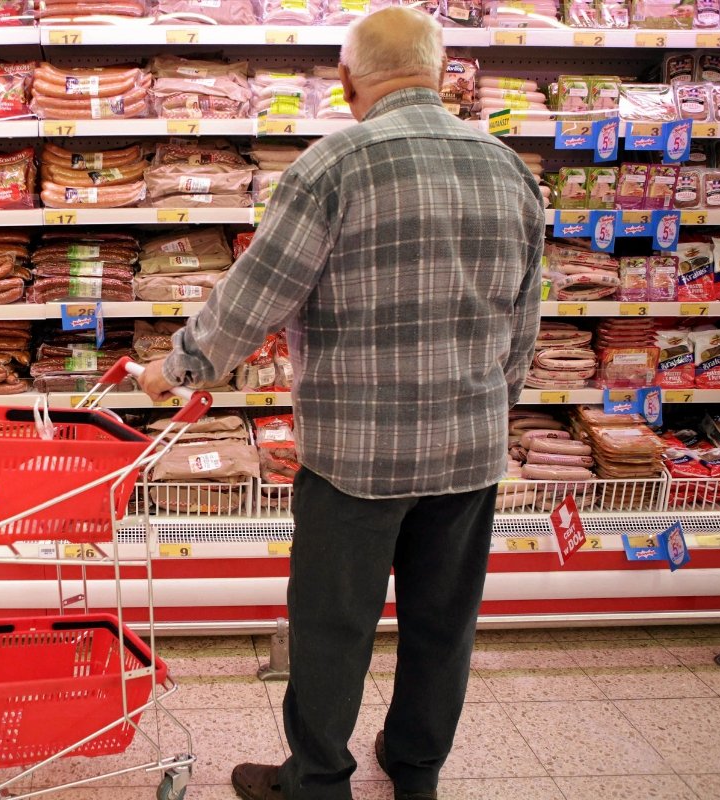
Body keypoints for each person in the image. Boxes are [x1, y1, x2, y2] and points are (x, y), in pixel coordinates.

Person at [136, 7, 544, 800]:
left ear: (348, 79)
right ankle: (417, 768)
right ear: (442, 69)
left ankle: (318, 780)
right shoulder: (509, 169)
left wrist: (178, 367)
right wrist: (490, 411)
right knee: (442, 625)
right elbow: (522, 330)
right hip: (468, 451)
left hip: (355, 457)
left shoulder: (335, 165)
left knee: (334, 626)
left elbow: (255, 296)